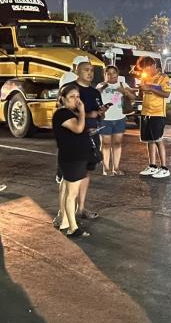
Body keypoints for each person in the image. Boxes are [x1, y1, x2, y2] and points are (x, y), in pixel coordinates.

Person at [64, 60, 106, 220]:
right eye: (86, 70)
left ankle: (80, 208)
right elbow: (64, 113)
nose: (90, 73)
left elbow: (100, 114)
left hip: (93, 136)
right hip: (75, 136)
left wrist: (101, 113)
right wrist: (88, 115)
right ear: (77, 71)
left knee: (86, 171)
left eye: (92, 71)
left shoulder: (95, 93)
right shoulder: (71, 90)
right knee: (72, 174)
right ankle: (65, 212)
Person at [52, 84, 91, 237]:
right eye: (72, 97)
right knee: (72, 193)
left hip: (72, 157)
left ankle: (65, 222)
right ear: (62, 99)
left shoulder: (67, 113)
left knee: (65, 189)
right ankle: (73, 228)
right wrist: (82, 111)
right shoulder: (62, 113)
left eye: (78, 96)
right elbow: (78, 129)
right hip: (72, 159)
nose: (76, 100)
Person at [97, 66, 136, 176]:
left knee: (118, 143)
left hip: (119, 118)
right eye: (108, 73)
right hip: (105, 119)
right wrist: (100, 89)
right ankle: (106, 168)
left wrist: (124, 92)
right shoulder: (101, 85)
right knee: (105, 144)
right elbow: (94, 97)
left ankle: (116, 168)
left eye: (114, 72)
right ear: (104, 75)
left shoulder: (122, 84)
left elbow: (133, 97)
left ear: (117, 74)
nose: (111, 75)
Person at [137, 56, 171, 178]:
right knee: (149, 140)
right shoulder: (144, 78)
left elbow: (166, 94)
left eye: (146, 69)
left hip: (157, 113)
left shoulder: (163, 77)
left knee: (158, 139)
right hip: (145, 113)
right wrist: (140, 89)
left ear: (153, 65)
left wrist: (150, 87)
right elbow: (141, 95)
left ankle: (164, 167)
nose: (145, 72)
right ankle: (152, 165)